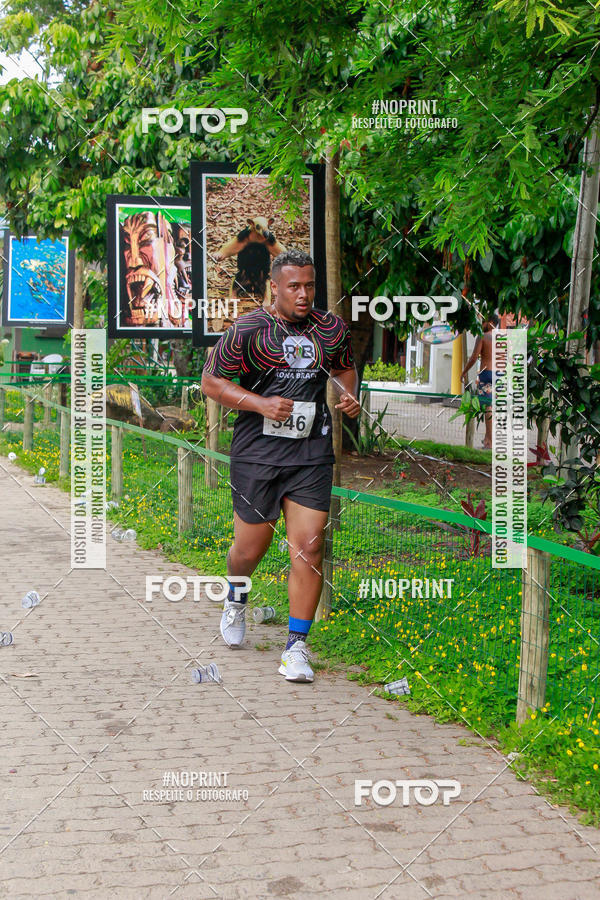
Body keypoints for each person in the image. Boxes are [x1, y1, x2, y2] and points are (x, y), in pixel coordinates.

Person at [201, 248, 360, 683]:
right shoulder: (249, 329)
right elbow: (211, 382)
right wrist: (262, 404)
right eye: (294, 286)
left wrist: (348, 394)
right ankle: (236, 598)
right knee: (251, 549)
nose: (304, 294)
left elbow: (345, 367)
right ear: (275, 287)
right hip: (258, 454)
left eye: (310, 285)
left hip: (311, 454)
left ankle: (296, 647)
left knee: (309, 549)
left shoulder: (331, 328)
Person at [461, 314, 501, 449]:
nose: (482, 325)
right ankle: (488, 438)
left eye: (483, 322)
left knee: (488, 407)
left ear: (490, 323)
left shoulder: (483, 337)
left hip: (487, 374)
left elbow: (473, 358)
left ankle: (489, 441)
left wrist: (464, 372)